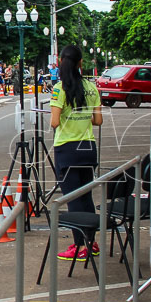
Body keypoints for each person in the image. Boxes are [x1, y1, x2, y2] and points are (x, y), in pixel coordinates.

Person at [50, 45, 103, 263]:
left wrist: (67, 118)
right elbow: (98, 120)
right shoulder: (92, 87)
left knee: (72, 199)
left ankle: (80, 245)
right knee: (86, 195)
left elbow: (54, 121)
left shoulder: (59, 88)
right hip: (88, 147)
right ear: (81, 63)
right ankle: (91, 242)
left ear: (62, 61)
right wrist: (82, 118)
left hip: (67, 147)